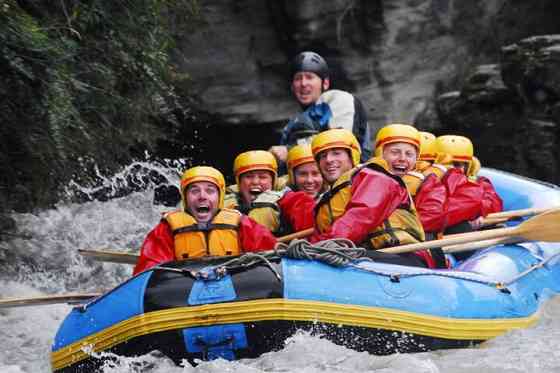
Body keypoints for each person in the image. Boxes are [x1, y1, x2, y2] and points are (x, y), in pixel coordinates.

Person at [308, 128, 434, 268]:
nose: (329, 160)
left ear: (352, 156)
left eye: (336, 153)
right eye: (323, 156)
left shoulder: (376, 175)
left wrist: (320, 247)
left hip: (401, 256)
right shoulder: (327, 197)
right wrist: (309, 248)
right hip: (369, 254)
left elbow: (362, 215)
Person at [133, 166, 277, 275]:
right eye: (194, 191)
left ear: (220, 198)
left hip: (234, 289)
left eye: (210, 191)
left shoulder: (242, 224)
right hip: (183, 295)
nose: (202, 196)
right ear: (185, 198)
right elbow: (149, 269)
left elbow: (272, 258)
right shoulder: (167, 228)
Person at [269, 51, 373, 167]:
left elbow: (339, 143)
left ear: (325, 83)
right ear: (292, 86)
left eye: (310, 77)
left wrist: (290, 151)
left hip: (355, 177)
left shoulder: (339, 99)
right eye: (298, 78)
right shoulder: (292, 124)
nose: (303, 83)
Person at [375, 125, 448, 268]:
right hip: (380, 247)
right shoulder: (365, 179)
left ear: (416, 159)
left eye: (409, 154)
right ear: (380, 154)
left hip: (411, 246)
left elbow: (433, 216)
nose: (402, 159)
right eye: (395, 152)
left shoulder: (426, 182)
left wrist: (398, 226)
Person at [224, 150, 315, 235]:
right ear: (239, 182)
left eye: (262, 177)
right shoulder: (222, 204)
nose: (255, 182)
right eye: (249, 177)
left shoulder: (289, 200)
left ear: (273, 181)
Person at [435, 135, 503, 235]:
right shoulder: (428, 182)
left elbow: (493, 201)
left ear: (468, 166)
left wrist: (477, 213)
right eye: (447, 164)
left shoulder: (479, 182)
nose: (451, 169)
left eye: (457, 165)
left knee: (464, 227)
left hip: (464, 226)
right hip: (442, 228)